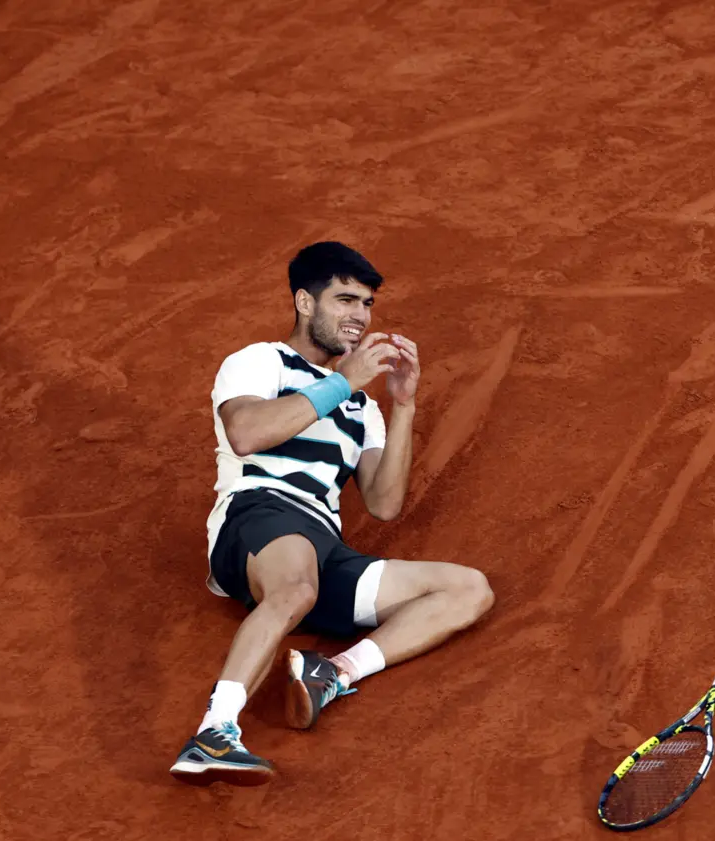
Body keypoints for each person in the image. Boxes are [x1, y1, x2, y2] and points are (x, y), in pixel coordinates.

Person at [168, 241, 495, 786]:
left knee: (470, 590)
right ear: (303, 302)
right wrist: (343, 381)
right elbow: (247, 433)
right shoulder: (259, 361)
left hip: (323, 545)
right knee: (296, 588)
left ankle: (334, 673)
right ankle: (214, 730)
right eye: (345, 300)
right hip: (259, 512)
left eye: (366, 304)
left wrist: (405, 403)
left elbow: (384, 503)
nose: (359, 317)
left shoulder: (363, 409)